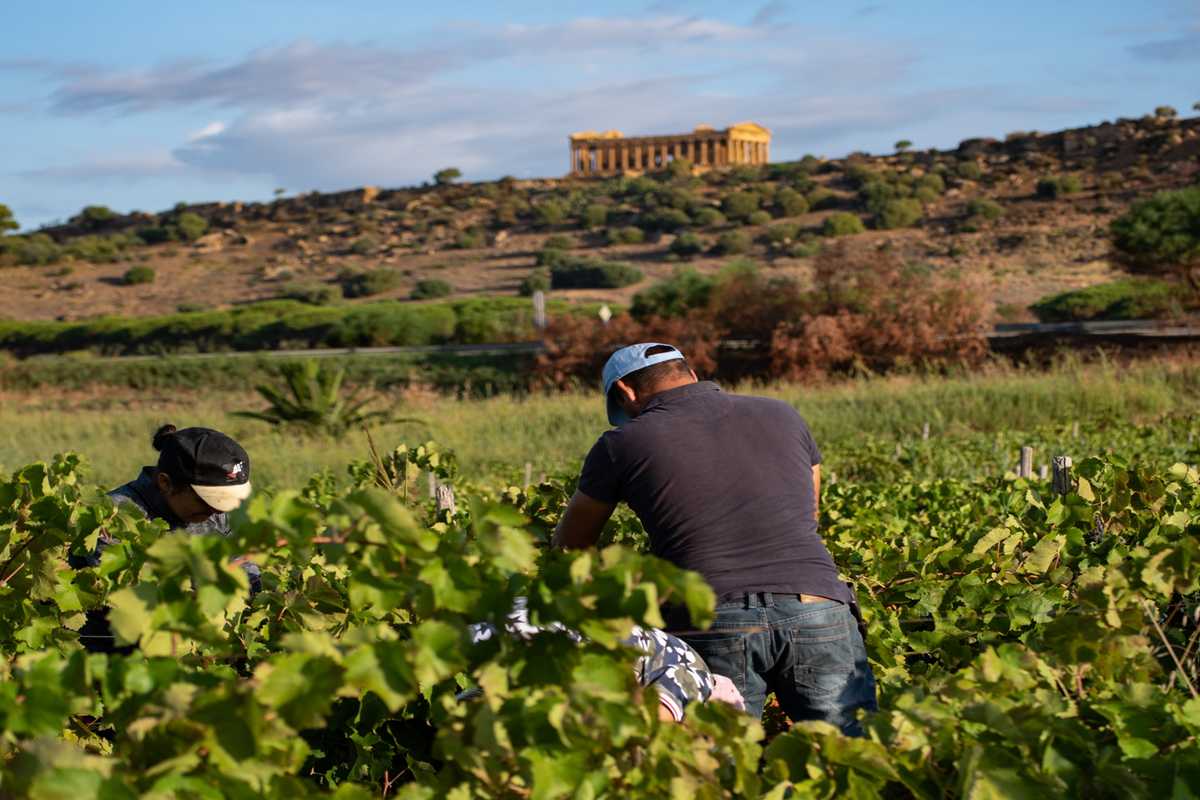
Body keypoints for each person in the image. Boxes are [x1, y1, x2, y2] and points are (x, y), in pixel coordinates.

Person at [551, 343, 877, 736]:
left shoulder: (621, 444)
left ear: (625, 391)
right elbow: (810, 514)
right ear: (689, 372)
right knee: (850, 754)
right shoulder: (783, 414)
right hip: (816, 603)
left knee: (719, 759)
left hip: (711, 617)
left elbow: (570, 547)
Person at [73, 424, 257, 651]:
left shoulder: (217, 512)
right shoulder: (113, 517)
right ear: (165, 483)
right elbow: (135, 602)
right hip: (116, 653)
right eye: (209, 501)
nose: (218, 510)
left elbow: (245, 570)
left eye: (225, 502)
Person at [465, 597, 745, 722]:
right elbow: (654, 724)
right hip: (552, 643)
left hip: (525, 617)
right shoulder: (697, 680)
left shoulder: (670, 654)